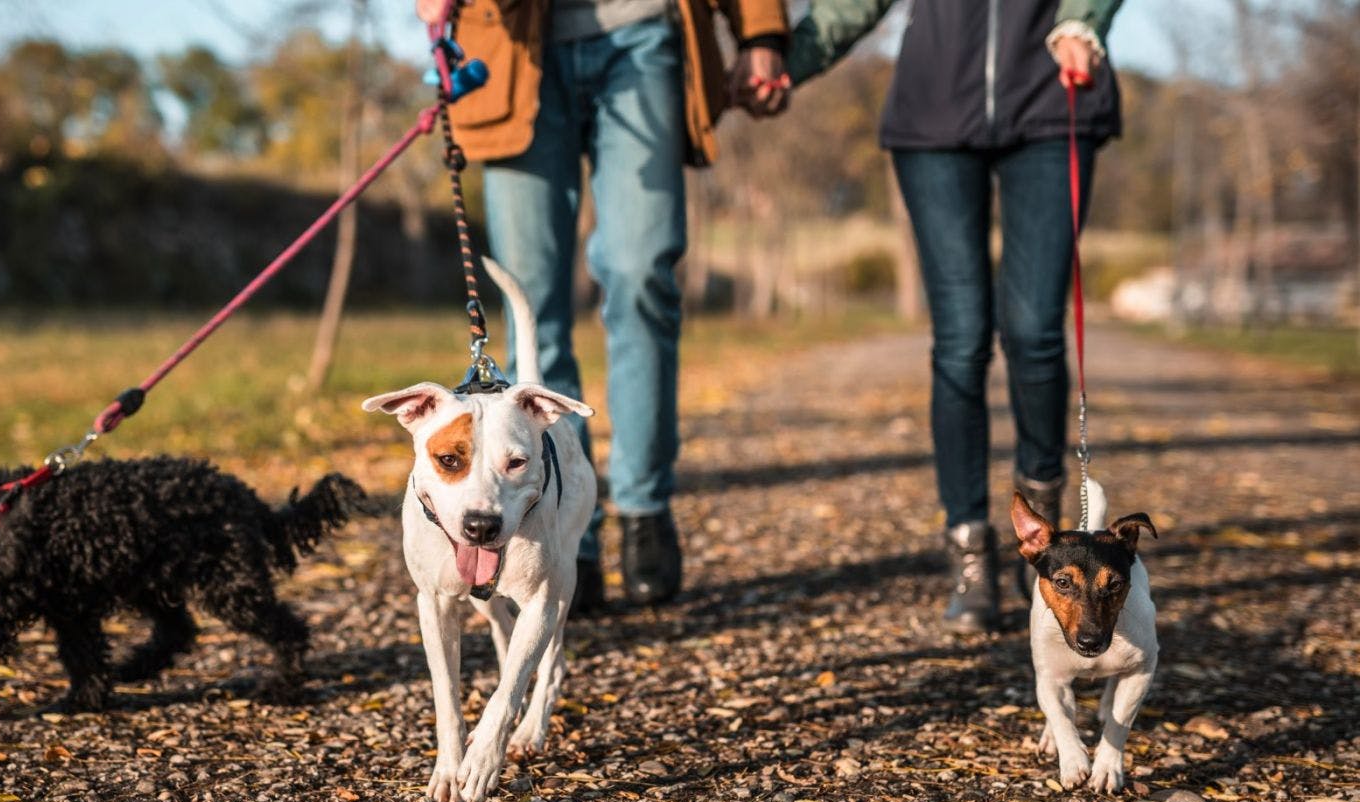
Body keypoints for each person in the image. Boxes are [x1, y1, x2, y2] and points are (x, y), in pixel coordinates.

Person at [419, 0, 792, 609]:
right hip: (509, 44)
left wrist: (760, 29)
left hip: (642, 34)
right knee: (531, 309)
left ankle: (645, 509)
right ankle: (569, 531)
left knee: (642, 273)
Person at [785, 0, 1125, 631]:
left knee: (1033, 332)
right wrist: (784, 64)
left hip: (1052, 103)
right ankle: (970, 552)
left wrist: (1082, 23)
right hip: (934, 112)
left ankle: (1047, 536)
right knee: (961, 340)